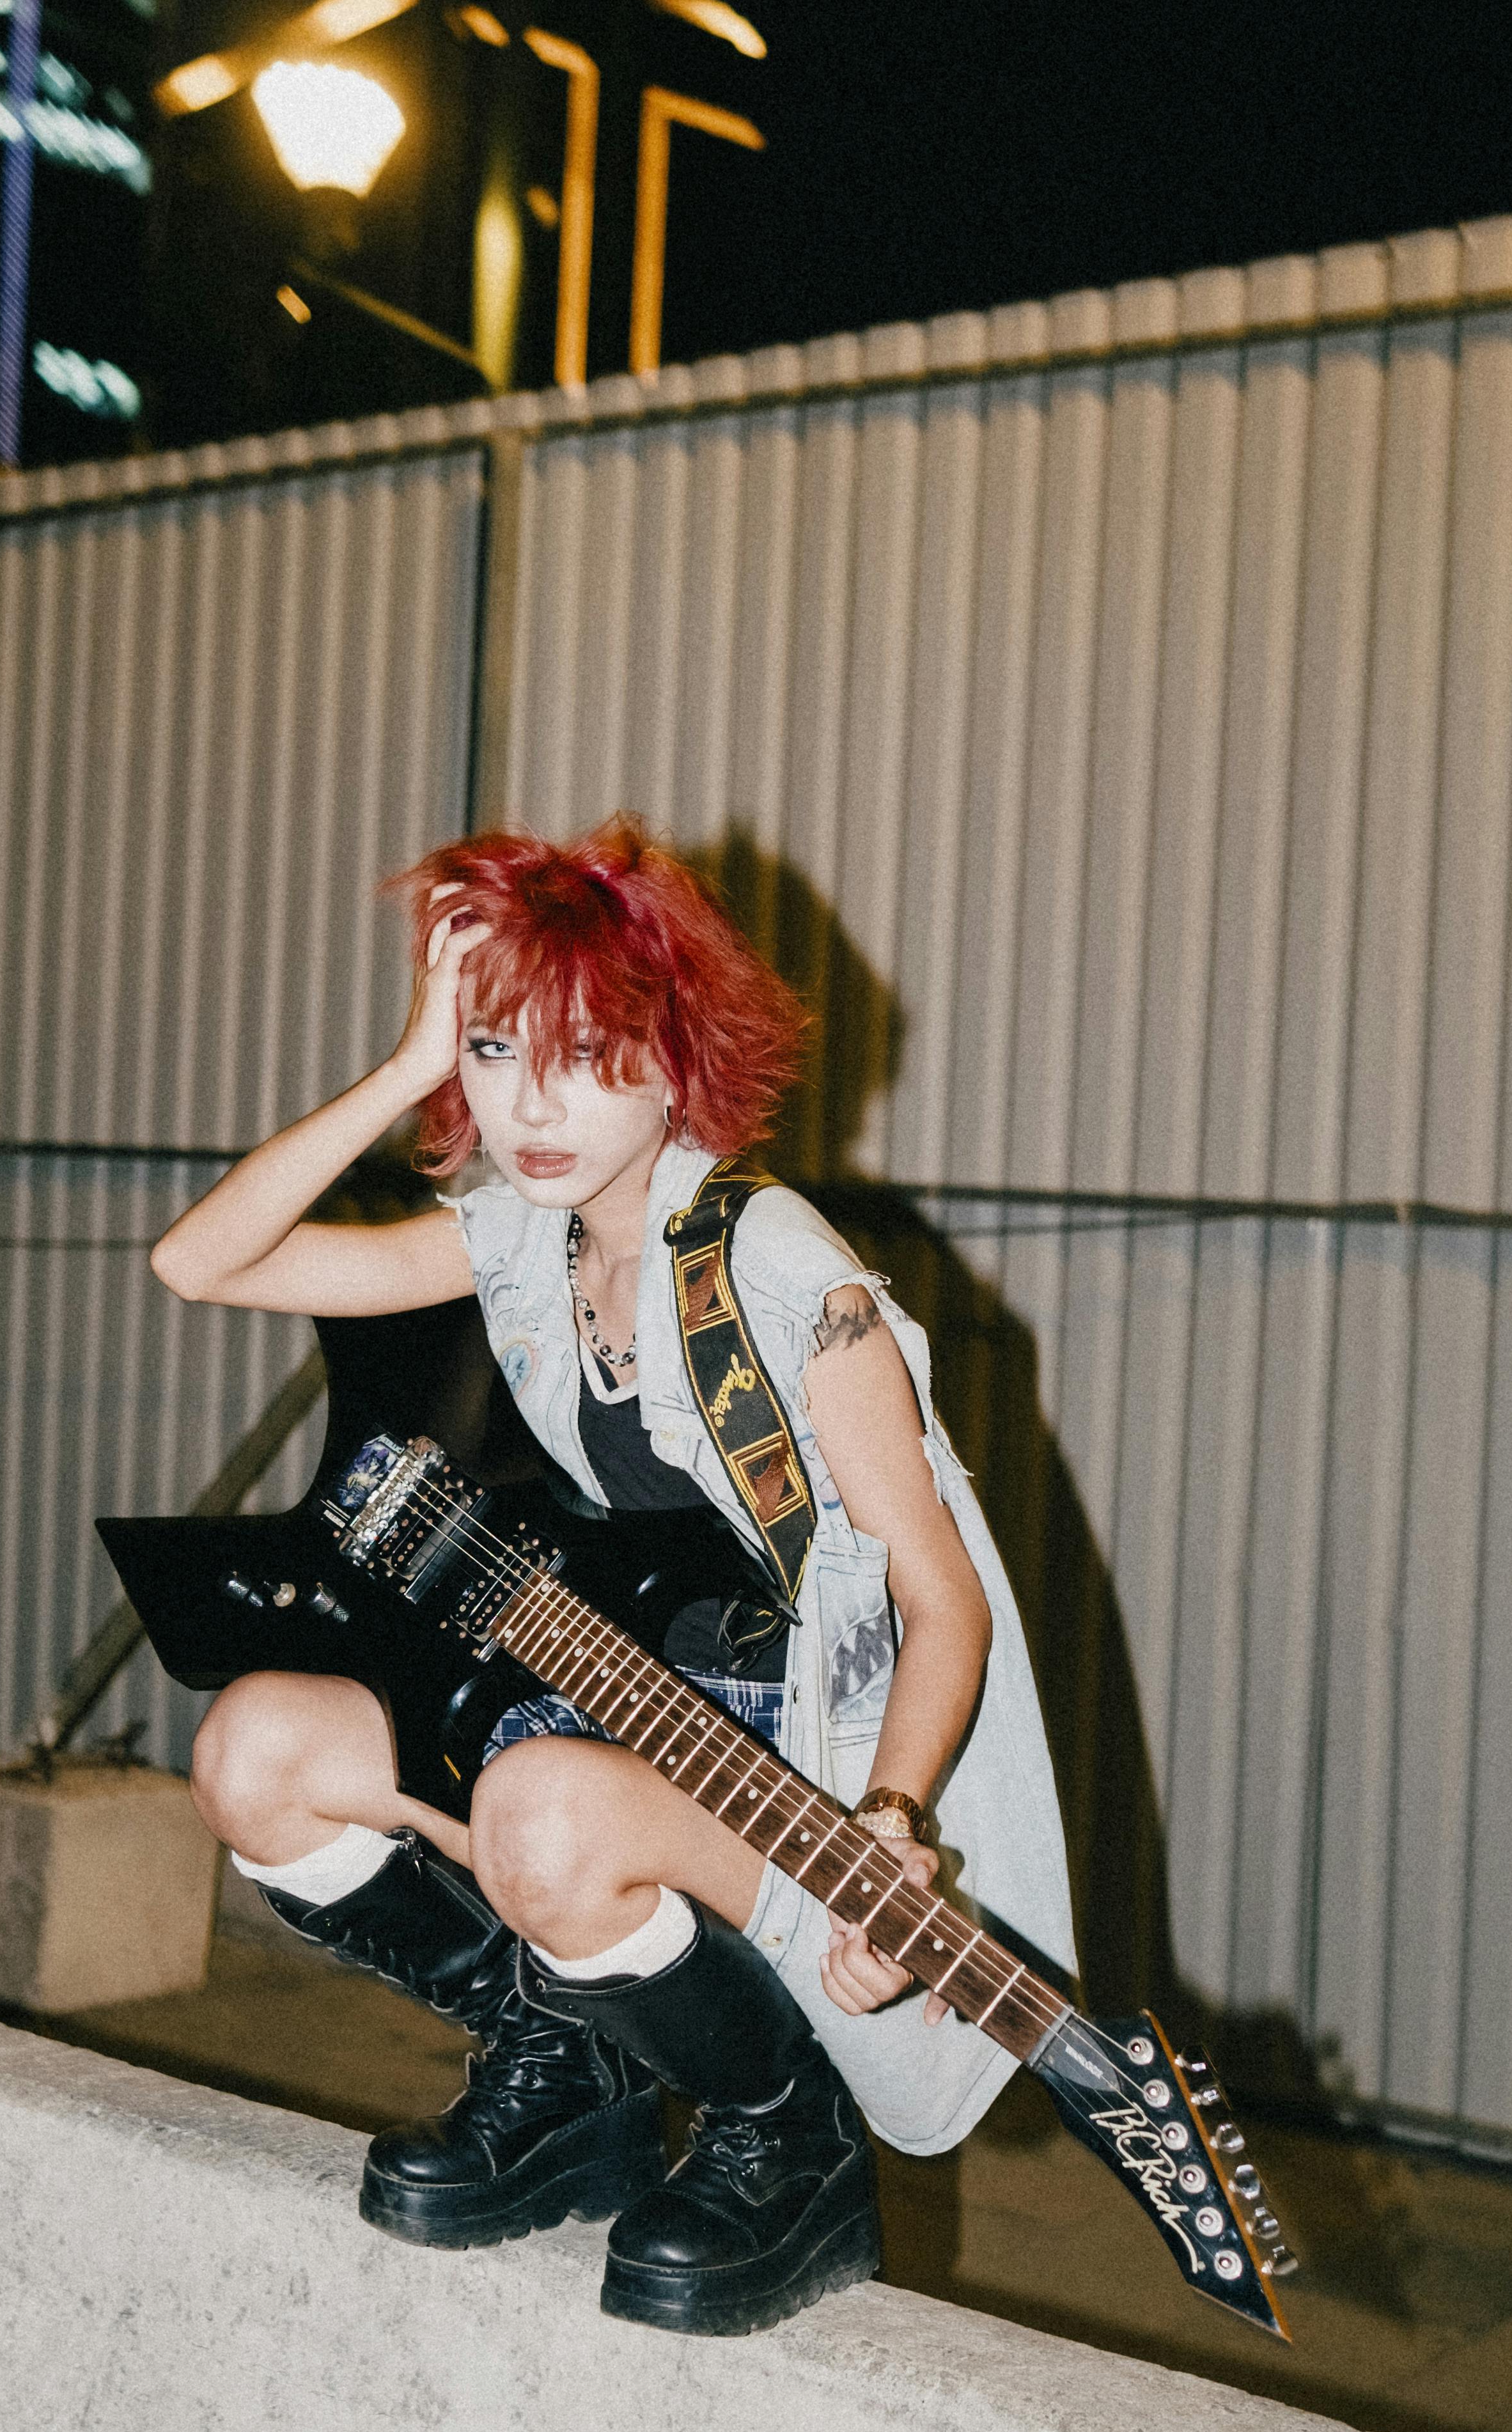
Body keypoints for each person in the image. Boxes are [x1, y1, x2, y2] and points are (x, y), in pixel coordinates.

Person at [150, 817, 1075, 2337]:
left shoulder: (782, 1272)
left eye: (585, 1054)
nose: (532, 1107)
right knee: (256, 1753)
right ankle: (568, 2071)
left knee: (539, 1811)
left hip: (794, 1761)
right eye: (499, 1053)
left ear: (674, 1056)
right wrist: (411, 1062)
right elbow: (202, 1264)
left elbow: (940, 1596)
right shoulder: (523, 1237)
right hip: (619, 1699)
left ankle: (784, 2134)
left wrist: (892, 1824)